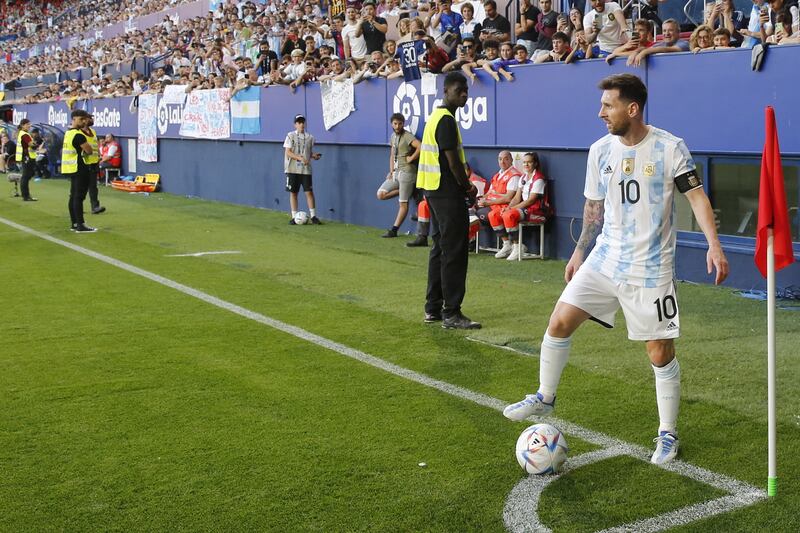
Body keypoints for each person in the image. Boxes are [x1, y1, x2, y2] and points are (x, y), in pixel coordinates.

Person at [503, 74, 729, 465]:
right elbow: (594, 210)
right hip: (606, 257)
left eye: (608, 106)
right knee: (559, 322)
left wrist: (713, 243)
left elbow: (696, 197)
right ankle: (545, 397)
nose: (601, 112)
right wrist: (578, 254)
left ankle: (668, 434)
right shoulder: (600, 151)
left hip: (650, 268)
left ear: (633, 108)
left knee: (659, 352)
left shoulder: (670, 148)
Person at [416, 72, 481, 330]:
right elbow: (453, 163)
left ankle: (433, 307)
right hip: (445, 192)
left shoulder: (436, 117)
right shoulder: (445, 120)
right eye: (459, 90)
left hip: (433, 191)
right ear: (446, 91)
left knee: (440, 249)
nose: (464, 94)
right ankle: (451, 312)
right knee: (454, 251)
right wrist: (468, 188)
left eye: (466, 90)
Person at [376, 113, 421, 238]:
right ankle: (408, 191)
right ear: (391, 124)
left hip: (407, 172)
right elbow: (392, 154)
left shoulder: (407, 136)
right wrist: (391, 171)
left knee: (403, 203)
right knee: (381, 194)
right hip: (396, 173)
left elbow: (421, 146)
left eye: (400, 123)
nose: (397, 126)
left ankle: (394, 230)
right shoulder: (392, 136)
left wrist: (411, 158)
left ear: (403, 124)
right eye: (395, 123)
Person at [498, 152, 549, 260]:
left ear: (535, 163)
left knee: (509, 215)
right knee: (502, 213)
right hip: (525, 209)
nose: (526, 165)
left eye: (529, 162)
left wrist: (511, 209)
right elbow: (516, 198)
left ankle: (517, 246)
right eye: (524, 162)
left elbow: (530, 201)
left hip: (537, 212)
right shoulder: (523, 177)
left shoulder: (539, 179)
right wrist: (508, 207)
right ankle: (509, 245)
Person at [476, 150, 521, 258]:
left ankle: (515, 245)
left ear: (511, 160)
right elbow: (490, 192)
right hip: (493, 205)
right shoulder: (497, 175)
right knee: (475, 210)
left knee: (493, 215)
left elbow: (509, 198)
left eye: (506, 159)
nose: (503, 161)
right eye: (500, 159)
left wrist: (489, 202)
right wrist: (482, 200)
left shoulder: (514, 175)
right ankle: (506, 244)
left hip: (505, 206)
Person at [62, 109, 97, 233]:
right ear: (74, 119)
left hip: (71, 168)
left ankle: (75, 223)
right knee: (78, 197)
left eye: (85, 119)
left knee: (73, 197)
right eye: (81, 119)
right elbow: (89, 151)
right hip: (79, 167)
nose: (84, 121)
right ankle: (80, 224)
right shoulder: (78, 135)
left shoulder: (68, 133)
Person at [284, 114, 322, 225]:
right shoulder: (290, 136)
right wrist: (299, 158)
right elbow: (288, 152)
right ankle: (294, 217)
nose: (301, 124)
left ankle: (313, 216)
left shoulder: (310, 137)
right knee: (293, 193)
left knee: (309, 192)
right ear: (295, 124)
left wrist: (313, 156)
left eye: (302, 122)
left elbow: (308, 153)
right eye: (299, 122)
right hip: (292, 169)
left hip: (305, 170)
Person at [83, 114, 106, 215]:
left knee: (93, 186)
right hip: (83, 163)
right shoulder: (79, 133)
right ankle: (78, 206)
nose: (92, 120)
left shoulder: (93, 132)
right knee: (80, 187)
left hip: (93, 162)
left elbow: (96, 145)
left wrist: (98, 156)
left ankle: (95, 206)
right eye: (90, 118)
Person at [15, 118, 37, 201]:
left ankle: (25, 195)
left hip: (25, 157)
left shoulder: (22, 133)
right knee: (26, 176)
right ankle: (26, 196)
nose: (29, 126)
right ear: (22, 125)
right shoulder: (25, 134)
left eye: (29, 124)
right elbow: (32, 145)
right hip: (27, 157)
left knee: (27, 175)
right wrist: (35, 144)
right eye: (27, 124)